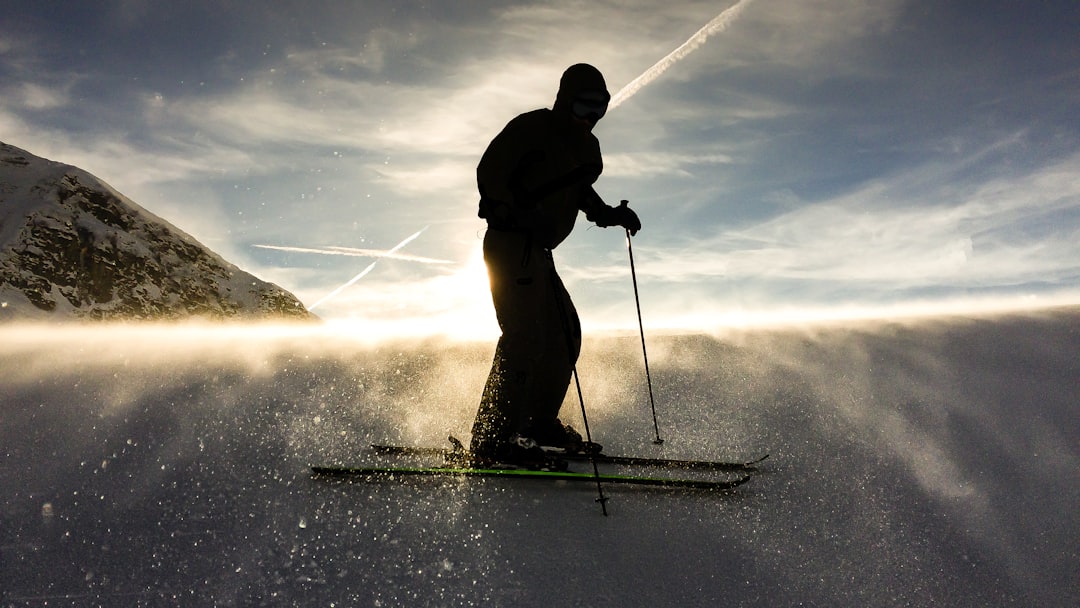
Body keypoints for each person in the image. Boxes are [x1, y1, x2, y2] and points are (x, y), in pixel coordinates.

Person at [468, 63, 641, 467]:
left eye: (599, 109)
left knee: (565, 333)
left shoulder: (585, 148)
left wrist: (612, 215)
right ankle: (492, 438)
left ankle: (535, 423)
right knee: (525, 338)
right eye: (583, 105)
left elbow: (580, 192)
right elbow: (490, 172)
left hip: (539, 252)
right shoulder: (532, 128)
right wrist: (510, 211)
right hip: (512, 243)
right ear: (565, 99)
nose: (590, 116)